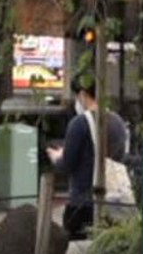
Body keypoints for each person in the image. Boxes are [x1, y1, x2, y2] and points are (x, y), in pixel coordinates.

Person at [47, 77, 129, 240]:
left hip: (82, 203)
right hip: (113, 202)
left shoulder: (79, 123)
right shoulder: (118, 122)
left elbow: (67, 165)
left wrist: (56, 157)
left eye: (77, 96)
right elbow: (121, 157)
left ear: (83, 94)